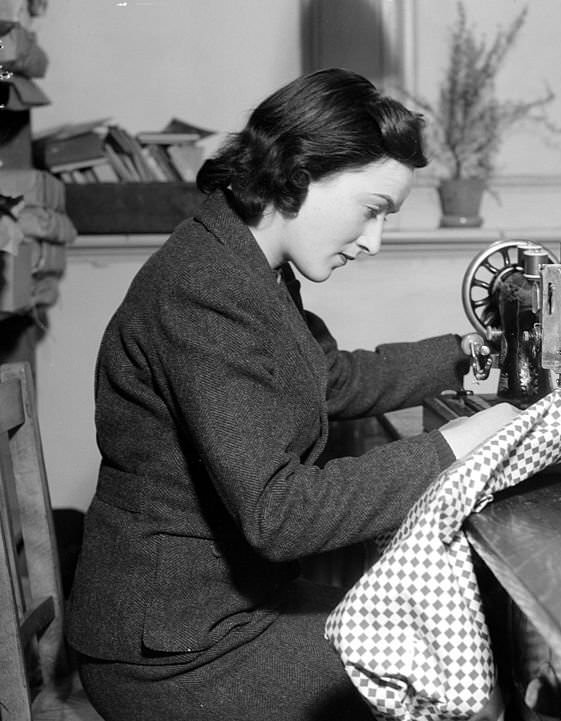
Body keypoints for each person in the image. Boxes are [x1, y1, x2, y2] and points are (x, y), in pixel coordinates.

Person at [67, 68, 517, 721]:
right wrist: (455, 444)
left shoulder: (252, 263)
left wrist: (473, 356)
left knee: (452, 642)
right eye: (372, 210)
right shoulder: (205, 289)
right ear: (300, 174)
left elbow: (328, 378)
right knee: (458, 683)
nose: (372, 242)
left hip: (224, 609)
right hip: (174, 654)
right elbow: (281, 514)